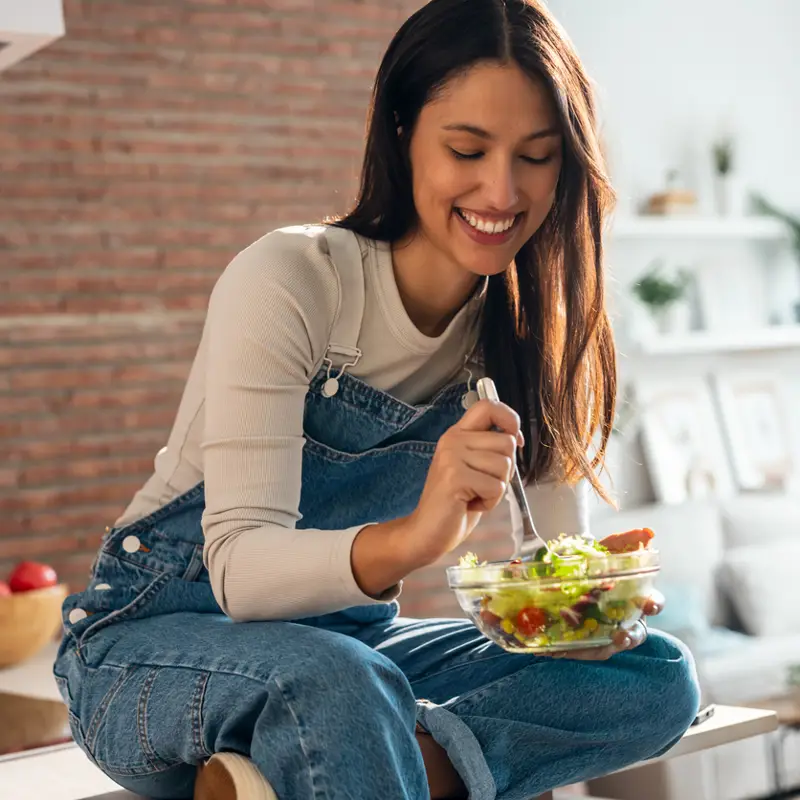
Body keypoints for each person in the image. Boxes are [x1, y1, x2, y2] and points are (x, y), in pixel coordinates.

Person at [53, 1, 700, 798]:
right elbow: (242, 574)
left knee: (655, 674)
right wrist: (419, 535)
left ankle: (292, 772)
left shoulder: (526, 330)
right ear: (401, 133)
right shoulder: (292, 280)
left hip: (350, 655)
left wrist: (590, 611)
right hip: (152, 650)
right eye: (467, 149)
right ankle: (334, 751)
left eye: (536, 156)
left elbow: (553, 570)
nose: (502, 190)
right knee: (338, 683)